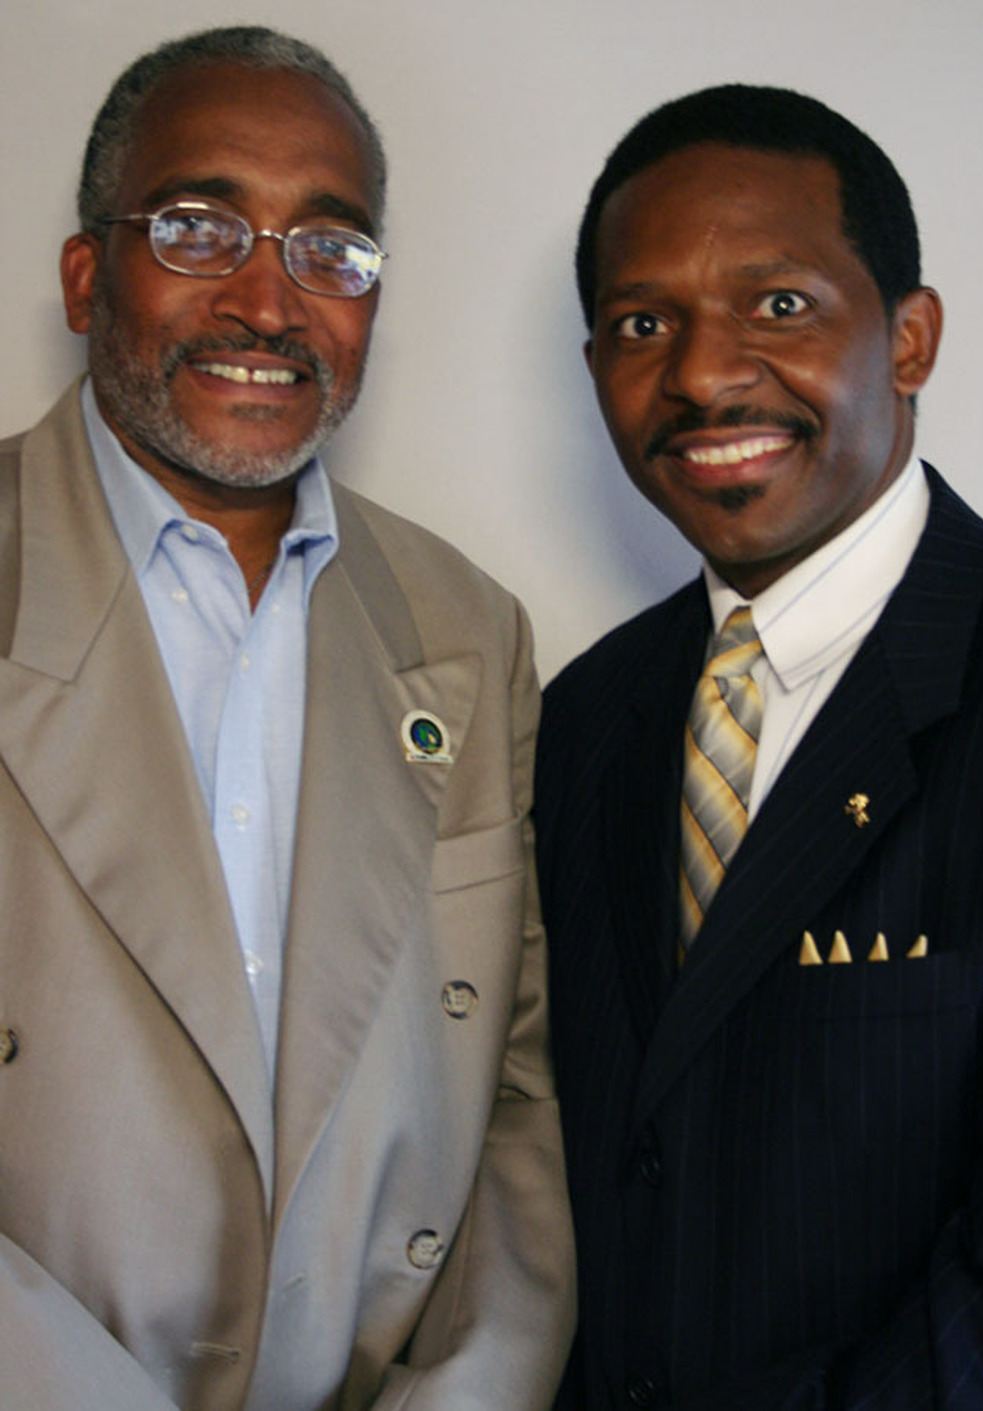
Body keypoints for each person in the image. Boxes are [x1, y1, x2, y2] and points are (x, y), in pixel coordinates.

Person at [0, 25, 574, 1411]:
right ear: (88, 277)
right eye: (200, 229)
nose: (271, 302)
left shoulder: (467, 629)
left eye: (333, 249)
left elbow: (507, 1095)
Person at [534, 83, 983, 1408]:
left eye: (779, 305)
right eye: (641, 324)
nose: (697, 372)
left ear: (909, 338)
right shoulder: (580, 720)